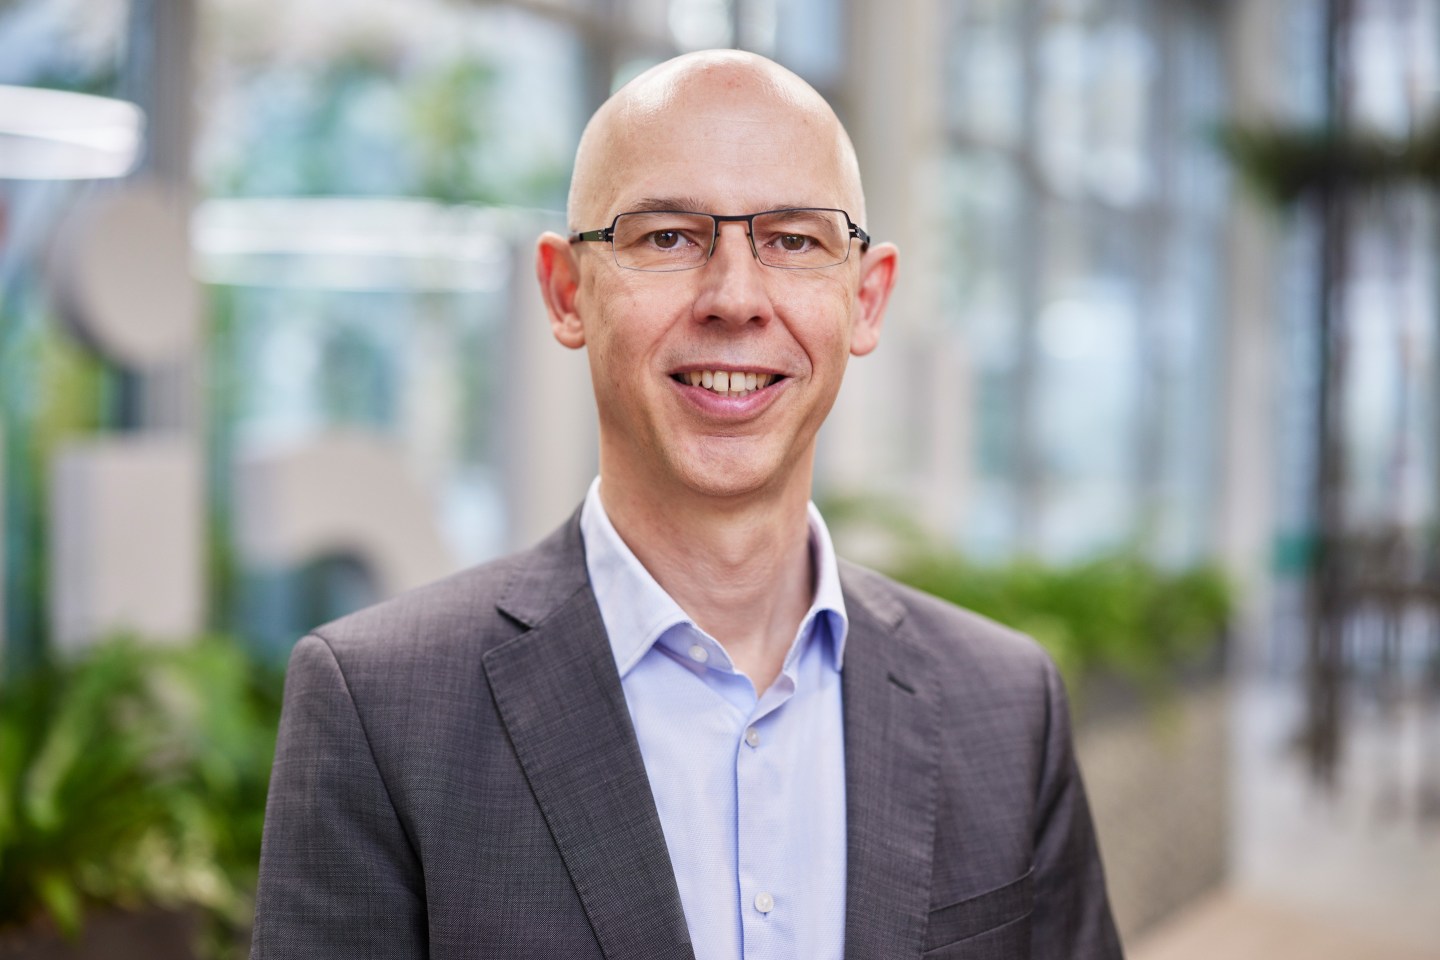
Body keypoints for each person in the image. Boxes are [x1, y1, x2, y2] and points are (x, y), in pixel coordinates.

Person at [250, 50, 1122, 960]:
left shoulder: (1005, 706)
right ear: (566, 291)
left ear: (866, 299)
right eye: (667, 236)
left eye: (794, 241)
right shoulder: (381, 711)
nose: (735, 299)